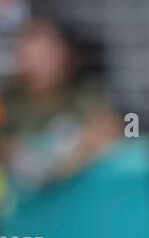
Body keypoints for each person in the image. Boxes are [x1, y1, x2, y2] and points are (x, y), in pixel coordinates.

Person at [0, 15, 119, 195]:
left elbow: (122, 126)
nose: (37, 59)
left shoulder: (88, 93)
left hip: (76, 190)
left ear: (67, 53)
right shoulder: (8, 100)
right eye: (29, 48)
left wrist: (80, 147)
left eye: (46, 50)